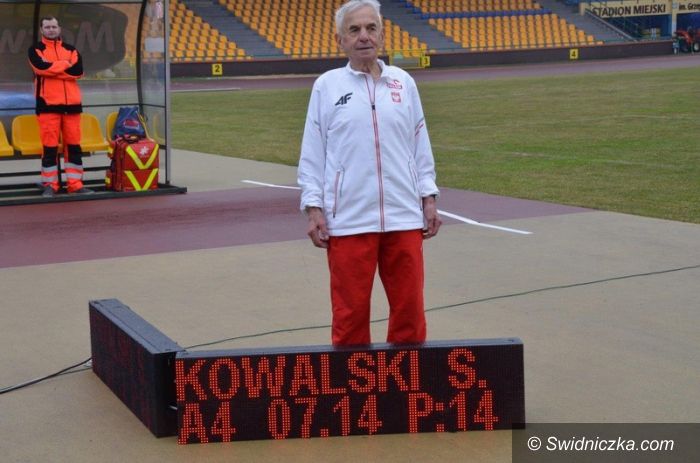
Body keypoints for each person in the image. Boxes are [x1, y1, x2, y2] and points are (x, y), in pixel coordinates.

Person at [297, 0, 441, 346]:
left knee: (410, 313)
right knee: (350, 316)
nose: (364, 36)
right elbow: (313, 153)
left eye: (371, 28)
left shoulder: (403, 83)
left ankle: (405, 378)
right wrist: (313, 208)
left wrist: (428, 197)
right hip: (348, 220)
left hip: (404, 217)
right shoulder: (327, 86)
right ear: (340, 40)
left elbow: (419, 144)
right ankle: (354, 382)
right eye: (355, 30)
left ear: (382, 34)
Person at [28, 16, 93, 198]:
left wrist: (54, 70)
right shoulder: (35, 50)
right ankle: (50, 185)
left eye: (54, 26)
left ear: (59, 28)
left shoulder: (72, 49)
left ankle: (75, 184)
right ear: (42, 30)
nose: (51, 30)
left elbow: (78, 71)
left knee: (74, 147)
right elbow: (41, 68)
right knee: (49, 148)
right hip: (48, 106)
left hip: (72, 106)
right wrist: (65, 65)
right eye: (47, 27)